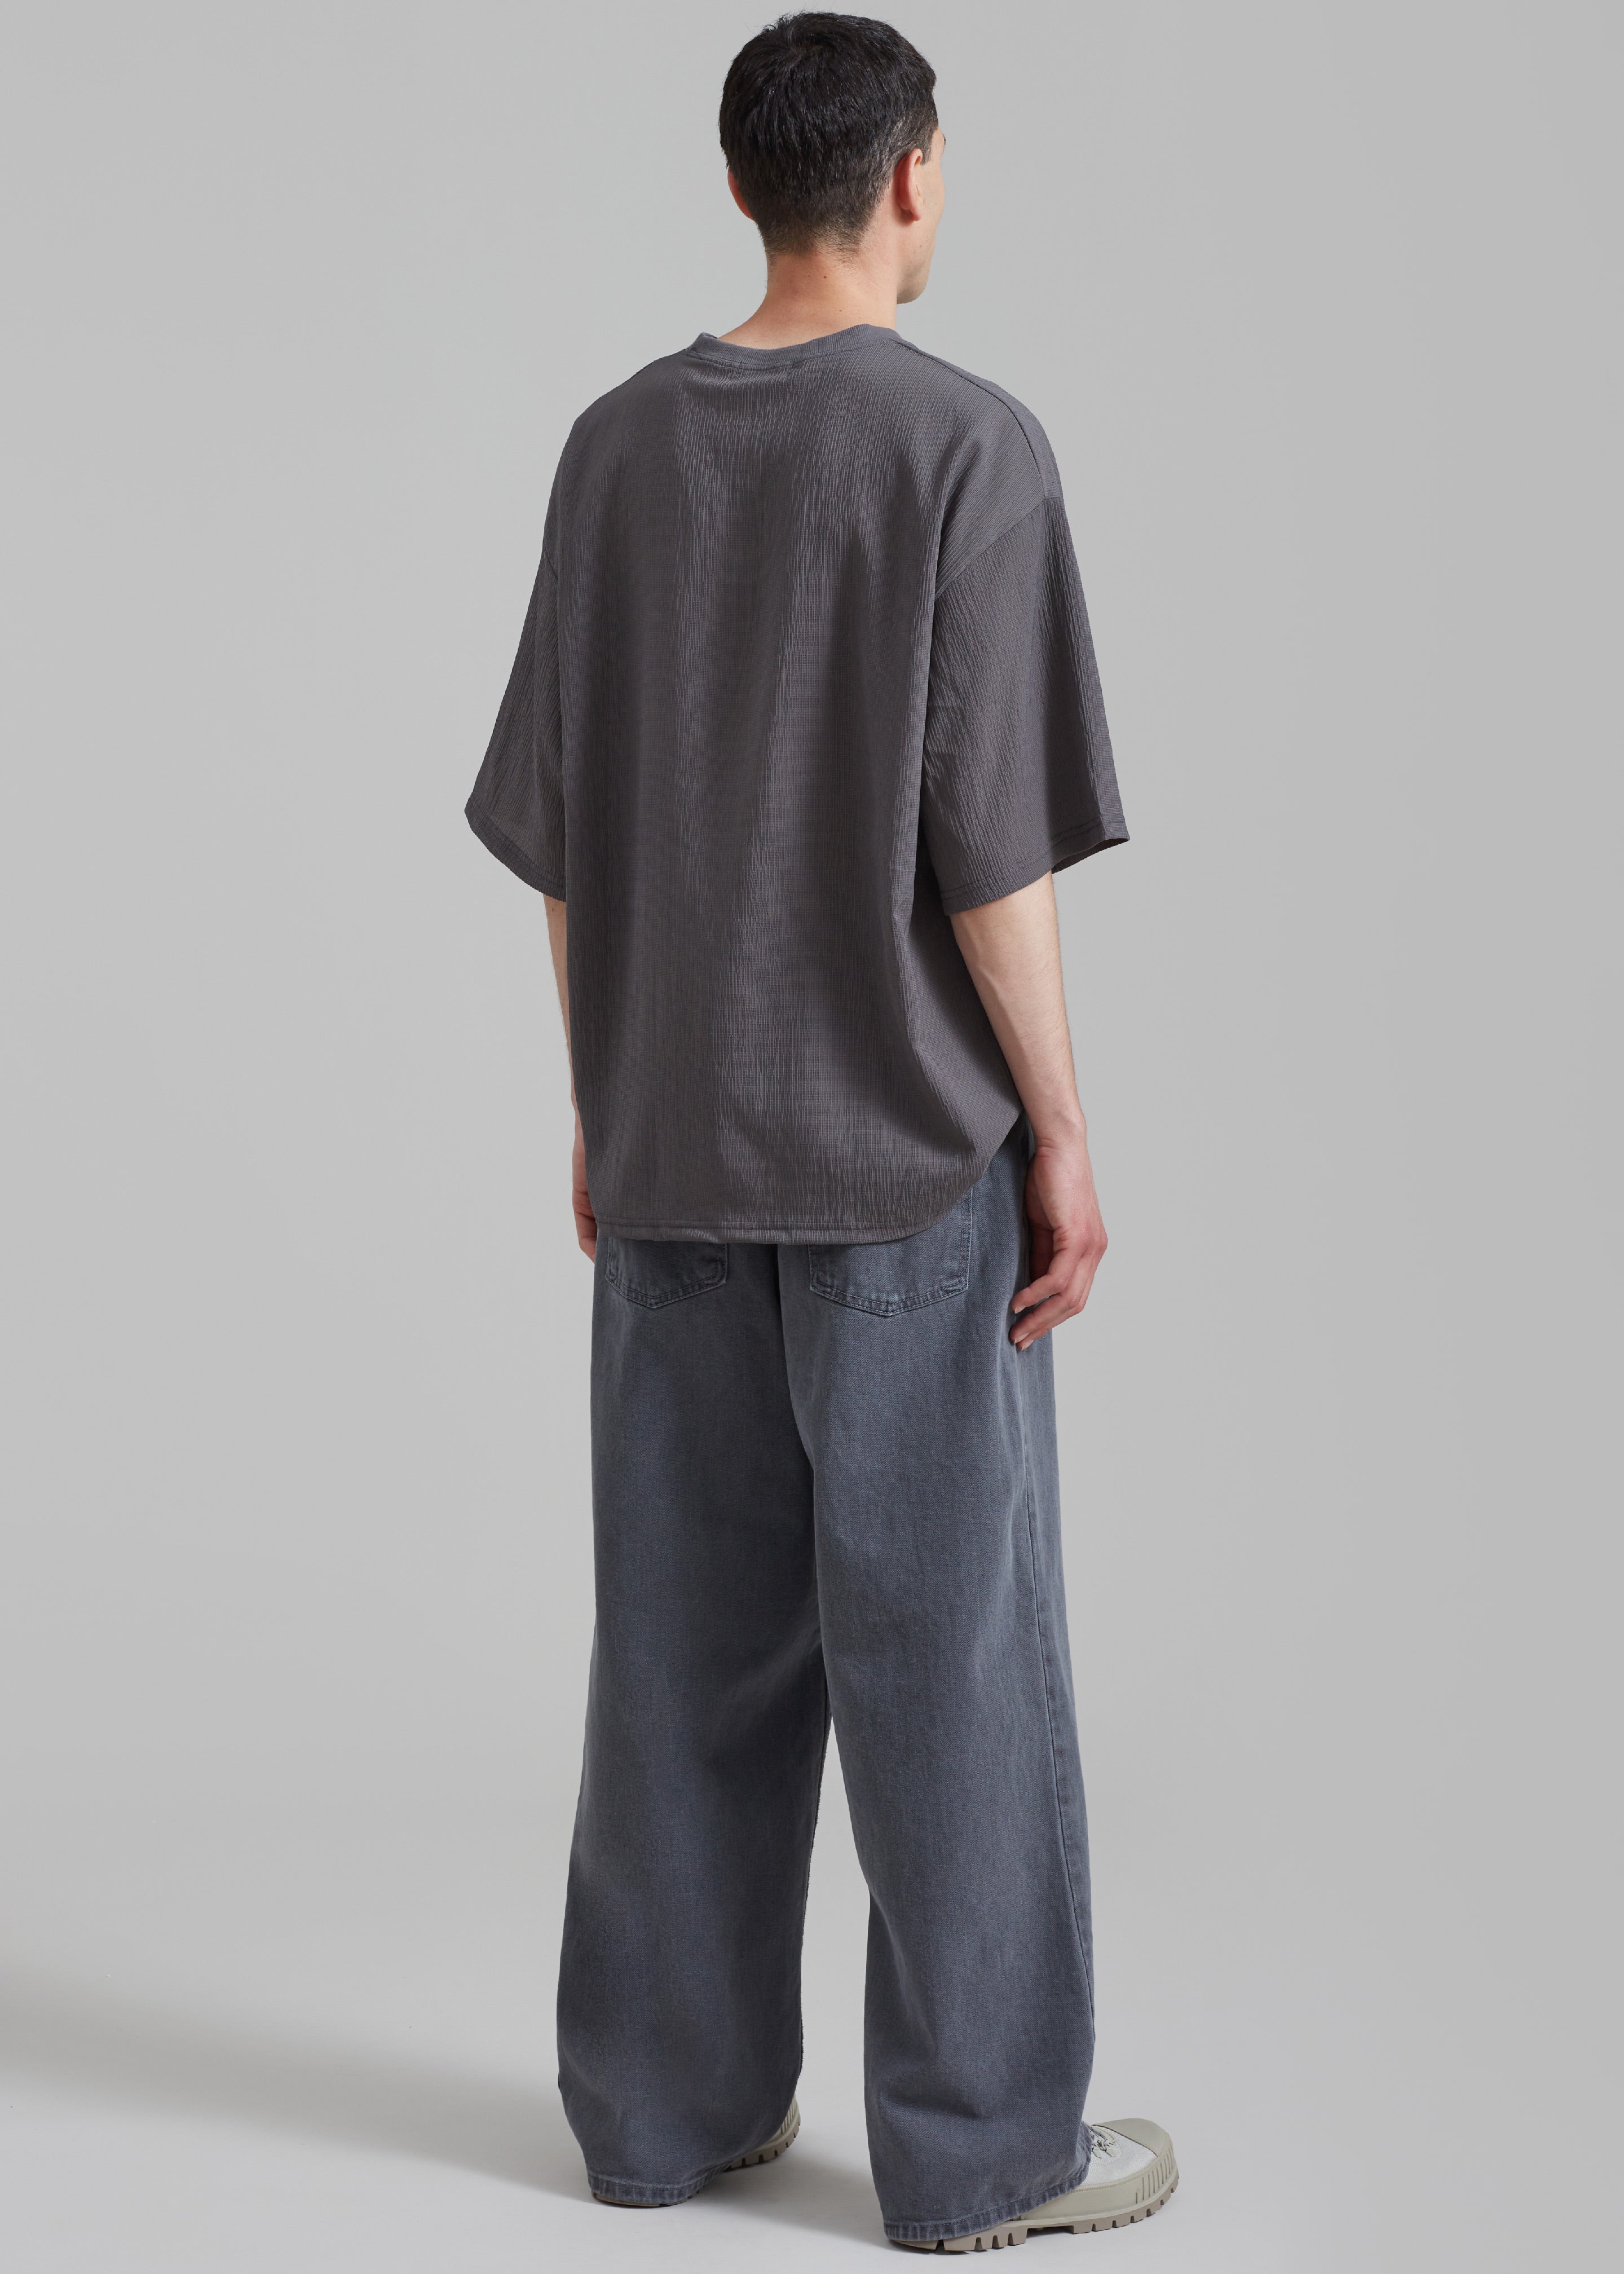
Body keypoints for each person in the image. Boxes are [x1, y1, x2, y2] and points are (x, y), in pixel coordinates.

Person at [465, 11, 1175, 2252]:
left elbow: (567, 840)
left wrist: (603, 1100)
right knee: (948, 1662)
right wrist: (1063, 1131)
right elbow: (993, 857)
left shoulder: (612, 451)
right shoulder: (967, 449)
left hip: (672, 1152)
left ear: (743, 181)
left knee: (680, 1656)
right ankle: (984, 2157)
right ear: (911, 176)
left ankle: (662, 2117)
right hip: (902, 1179)